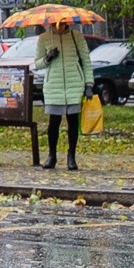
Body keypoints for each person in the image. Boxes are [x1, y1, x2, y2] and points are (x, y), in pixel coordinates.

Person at [37, 17, 92, 171]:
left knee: (73, 122)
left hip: (74, 85)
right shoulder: (44, 38)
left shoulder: (76, 36)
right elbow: (37, 63)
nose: (58, 26)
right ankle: (52, 156)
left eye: (61, 23)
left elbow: (86, 61)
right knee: (53, 122)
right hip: (53, 86)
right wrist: (48, 57)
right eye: (55, 23)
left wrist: (89, 84)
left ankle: (71, 157)